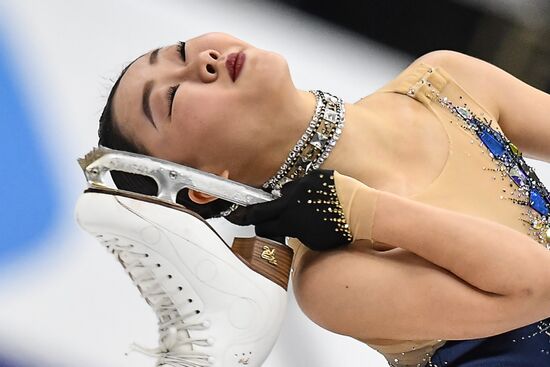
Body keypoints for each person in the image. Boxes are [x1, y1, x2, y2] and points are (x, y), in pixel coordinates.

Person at [98, 32, 550, 366]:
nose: (204, 61)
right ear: (203, 184)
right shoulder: (331, 280)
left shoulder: (445, 83)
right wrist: (359, 210)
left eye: (178, 52)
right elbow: (539, 285)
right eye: (172, 97)